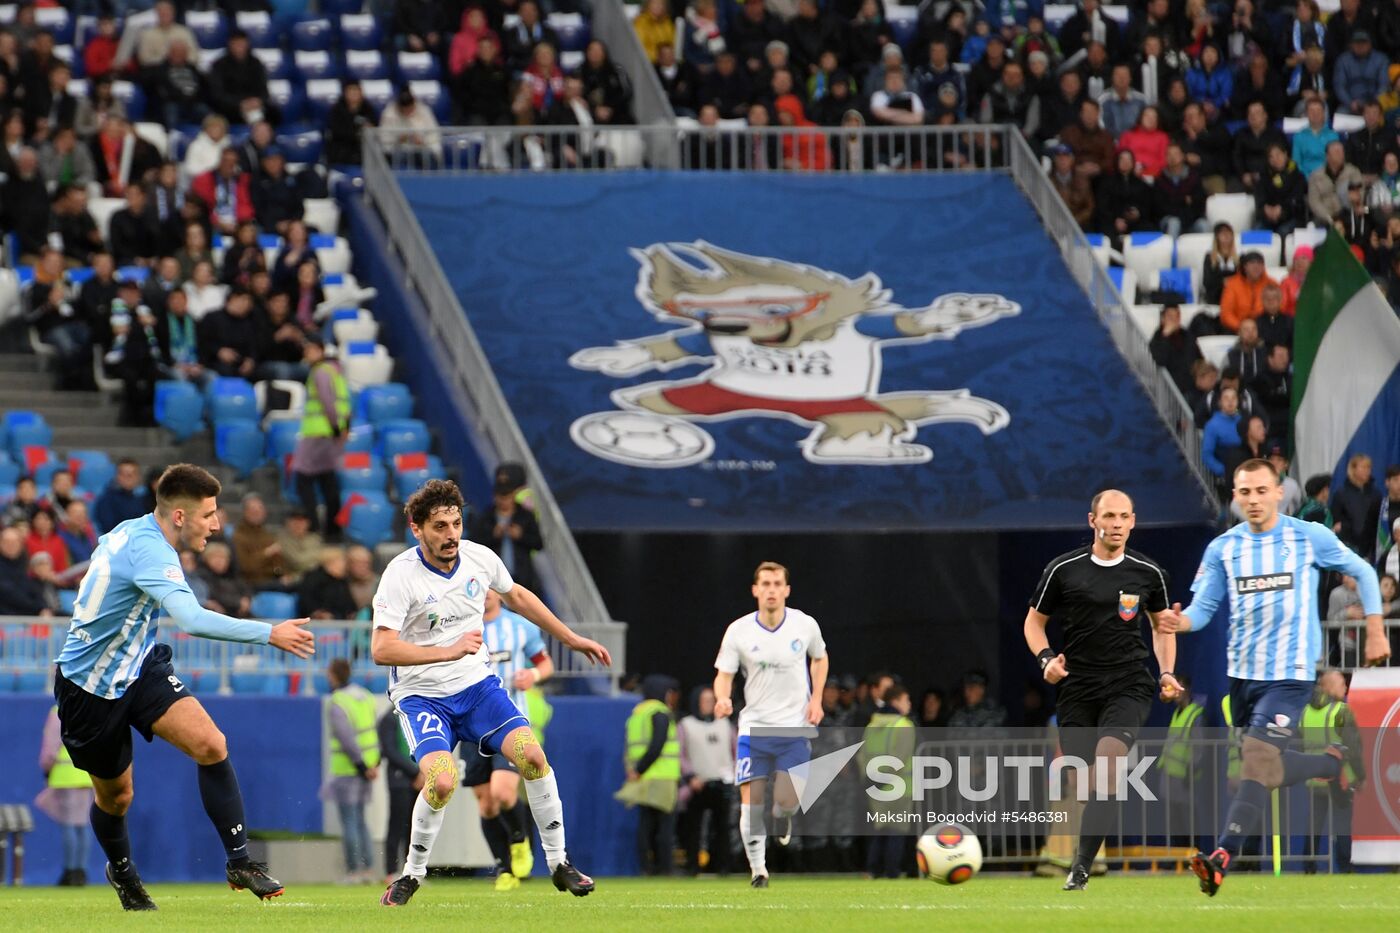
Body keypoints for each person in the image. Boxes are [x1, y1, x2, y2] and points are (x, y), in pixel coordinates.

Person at [52, 464, 314, 911]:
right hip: (89, 688)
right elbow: (191, 620)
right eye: (209, 514)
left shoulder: (138, 532)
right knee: (117, 796)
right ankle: (123, 870)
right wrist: (269, 633)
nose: (216, 524)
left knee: (211, 744)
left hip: (139, 665)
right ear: (179, 516)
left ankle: (239, 861)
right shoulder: (150, 551)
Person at [1156, 458, 1390, 897]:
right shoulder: (1223, 548)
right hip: (1242, 679)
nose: (1253, 500)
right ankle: (1332, 762)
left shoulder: (1306, 536)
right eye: (1244, 492)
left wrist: (1375, 627)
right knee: (1260, 768)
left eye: (1261, 491)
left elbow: (1361, 570)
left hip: (1290, 676)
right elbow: (1202, 611)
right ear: (1235, 497)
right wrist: (1177, 623)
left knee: (1257, 759)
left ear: (1279, 491)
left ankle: (1222, 857)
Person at [373, 480, 609, 905]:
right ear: (417, 528)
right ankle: (411, 874)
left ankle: (559, 864)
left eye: (457, 523)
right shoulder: (400, 575)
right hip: (422, 697)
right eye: (440, 526)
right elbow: (381, 648)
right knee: (441, 782)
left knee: (533, 757)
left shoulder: (479, 558)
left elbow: (516, 595)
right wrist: (447, 651)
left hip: (478, 689)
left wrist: (570, 638)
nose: (451, 535)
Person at [1024, 489, 1179, 890]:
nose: (1117, 524)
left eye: (1124, 516)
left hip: (1128, 683)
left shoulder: (1149, 572)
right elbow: (1033, 623)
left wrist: (1165, 673)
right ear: (1092, 520)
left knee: (1109, 768)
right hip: (1078, 688)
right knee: (1083, 775)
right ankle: (1079, 857)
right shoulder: (1063, 570)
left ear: (1133, 520)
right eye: (1109, 516)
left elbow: (1162, 625)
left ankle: (1080, 867)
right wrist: (1047, 660)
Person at [712, 561, 828, 888]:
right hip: (754, 728)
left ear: (787, 590)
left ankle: (785, 815)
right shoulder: (739, 631)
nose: (771, 590)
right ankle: (758, 870)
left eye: (777, 583)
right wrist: (723, 698)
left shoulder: (804, 625)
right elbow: (724, 675)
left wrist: (816, 698)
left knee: (788, 801)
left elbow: (820, 657)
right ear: (755, 590)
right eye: (765, 584)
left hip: (793, 728)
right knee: (751, 804)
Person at [465, 587, 555, 890]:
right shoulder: (461, 625)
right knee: (487, 804)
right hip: (470, 724)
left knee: (503, 793)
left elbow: (545, 663)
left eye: (492, 589)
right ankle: (504, 869)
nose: (487, 595)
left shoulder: (519, 626)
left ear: (501, 593)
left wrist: (533, 676)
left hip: (508, 720)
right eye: (480, 589)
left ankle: (520, 841)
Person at [1302, 669, 1364, 874]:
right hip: (1339, 778)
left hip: (1313, 776)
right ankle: (1345, 866)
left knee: (1314, 826)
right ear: (1329, 686)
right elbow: (1353, 746)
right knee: (1342, 825)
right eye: (1341, 683)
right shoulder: (1341, 710)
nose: (1345, 687)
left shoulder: (1306, 711)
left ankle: (1308, 866)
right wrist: (1361, 776)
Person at [324, 659, 380, 884]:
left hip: (349, 769)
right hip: (369, 766)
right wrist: (372, 765)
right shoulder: (366, 697)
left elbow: (346, 739)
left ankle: (354, 871)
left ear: (334, 675)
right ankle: (368, 869)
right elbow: (371, 731)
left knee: (349, 821)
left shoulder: (338, 702)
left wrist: (360, 766)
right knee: (360, 820)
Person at [293, 336, 350, 539]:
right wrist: (342, 428)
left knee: (303, 478)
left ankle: (316, 526)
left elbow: (327, 401)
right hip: (330, 433)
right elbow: (345, 402)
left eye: (309, 349)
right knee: (327, 479)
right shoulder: (336, 371)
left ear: (320, 349)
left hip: (319, 432)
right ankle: (333, 529)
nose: (305, 354)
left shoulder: (320, 372)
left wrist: (334, 427)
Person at [625, 674, 681, 876]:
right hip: (662, 776)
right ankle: (665, 868)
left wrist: (635, 771)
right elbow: (657, 745)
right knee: (665, 826)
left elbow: (630, 747)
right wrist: (641, 769)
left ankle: (645, 867)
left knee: (645, 825)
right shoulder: (660, 713)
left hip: (642, 777)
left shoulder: (637, 714)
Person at [860, 682, 917, 879]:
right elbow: (901, 756)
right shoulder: (904, 725)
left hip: (875, 785)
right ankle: (892, 871)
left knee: (880, 829)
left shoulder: (872, 725)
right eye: (905, 700)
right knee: (897, 831)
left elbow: (862, 755)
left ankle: (873, 869)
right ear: (896, 701)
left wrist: (869, 779)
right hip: (900, 786)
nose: (909, 704)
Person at [678, 685, 735, 876]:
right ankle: (693, 865)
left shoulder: (725, 724)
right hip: (698, 784)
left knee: (722, 828)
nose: (709, 704)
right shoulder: (686, 725)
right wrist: (690, 776)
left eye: (712, 700)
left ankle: (721, 866)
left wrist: (734, 774)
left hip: (722, 782)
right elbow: (680, 754)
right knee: (694, 828)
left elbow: (736, 750)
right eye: (705, 700)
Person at [36, 704, 95, 886]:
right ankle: (81, 871)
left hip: (65, 774)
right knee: (83, 824)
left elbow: (51, 747)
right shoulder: (89, 710)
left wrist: (46, 769)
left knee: (69, 824)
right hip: (86, 774)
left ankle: (70, 872)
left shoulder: (58, 711)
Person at [466, 478, 544, 591]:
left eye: (507, 497)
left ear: (513, 496)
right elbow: (474, 543)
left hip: (521, 577)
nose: (504, 501)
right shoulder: (487, 517)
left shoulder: (525, 516)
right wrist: (493, 535)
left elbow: (539, 543)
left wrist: (521, 536)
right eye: (500, 497)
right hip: (493, 578)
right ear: (495, 497)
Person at [378, 705, 420, 885]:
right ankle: (391, 870)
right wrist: (415, 772)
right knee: (397, 825)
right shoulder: (388, 718)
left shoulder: (414, 715)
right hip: (399, 779)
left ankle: (411, 871)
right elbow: (390, 751)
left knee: (414, 826)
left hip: (419, 779)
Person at [1333, 453, 1381, 555]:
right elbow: (1336, 520)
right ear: (1353, 469)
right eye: (1363, 467)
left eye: (1369, 467)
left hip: (1370, 547)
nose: (1367, 471)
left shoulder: (1376, 494)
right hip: (1348, 545)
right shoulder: (1341, 493)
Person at [1150, 303, 1203, 396]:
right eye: (1170, 317)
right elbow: (1160, 360)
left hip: (1193, 387)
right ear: (1163, 319)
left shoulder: (1188, 336)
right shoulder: (1157, 340)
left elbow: (1199, 360)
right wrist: (1165, 336)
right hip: (1169, 390)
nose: (1174, 320)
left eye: (1177, 316)